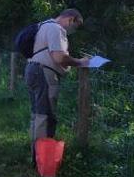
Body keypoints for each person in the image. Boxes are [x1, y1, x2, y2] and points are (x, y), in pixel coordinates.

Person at [25, 9, 89, 164]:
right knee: (45, 116)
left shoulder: (44, 25)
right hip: (44, 74)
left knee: (37, 115)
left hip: (33, 70)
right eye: (76, 26)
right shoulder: (56, 28)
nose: (74, 30)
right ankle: (43, 160)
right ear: (70, 19)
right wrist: (80, 62)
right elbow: (59, 57)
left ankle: (36, 156)